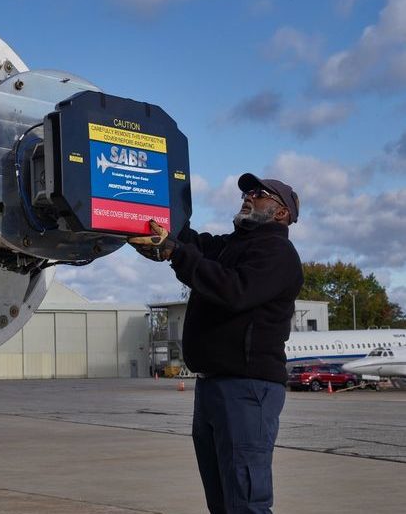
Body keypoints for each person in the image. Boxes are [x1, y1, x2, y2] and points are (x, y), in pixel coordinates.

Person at [130, 173, 303, 514]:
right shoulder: (229, 246)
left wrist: (175, 254)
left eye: (259, 193)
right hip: (212, 388)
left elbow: (234, 291)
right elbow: (188, 241)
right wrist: (148, 214)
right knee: (222, 502)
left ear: (281, 213)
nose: (248, 195)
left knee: (246, 501)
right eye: (246, 191)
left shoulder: (278, 253)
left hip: (247, 389)